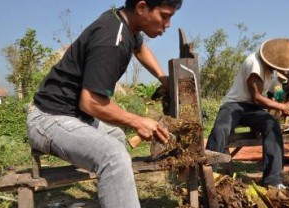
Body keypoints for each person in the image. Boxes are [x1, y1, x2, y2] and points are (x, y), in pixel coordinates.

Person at [26, 0, 182, 207]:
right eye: (164, 15)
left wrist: (162, 77)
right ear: (142, 7)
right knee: (113, 157)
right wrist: (138, 121)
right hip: (49, 119)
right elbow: (91, 103)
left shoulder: (124, 23)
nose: (168, 23)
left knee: (116, 136)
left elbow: (140, 48)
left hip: (73, 116)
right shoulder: (111, 39)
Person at [206, 38, 289, 189]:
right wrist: (281, 106)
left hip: (253, 109)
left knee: (272, 125)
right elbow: (256, 97)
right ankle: (207, 176)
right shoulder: (254, 63)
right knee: (221, 128)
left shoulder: (272, 72)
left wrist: (284, 103)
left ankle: (273, 181)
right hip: (234, 105)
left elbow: (268, 97)